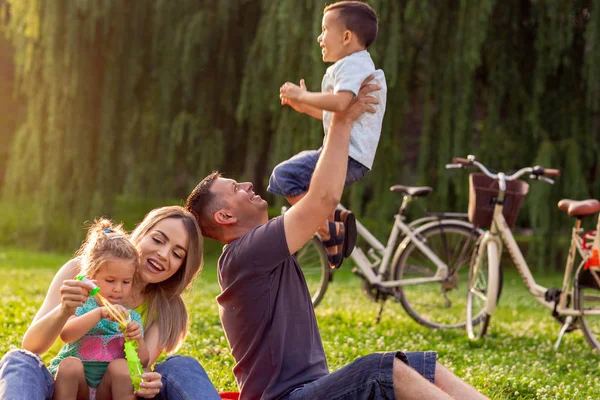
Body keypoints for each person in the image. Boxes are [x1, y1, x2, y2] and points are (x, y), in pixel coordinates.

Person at [185, 82, 488, 399]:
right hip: (289, 397)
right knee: (382, 372)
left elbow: (312, 204)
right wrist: (341, 120)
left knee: (420, 367)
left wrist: (324, 115)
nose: (247, 184)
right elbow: (323, 197)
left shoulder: (261, 249)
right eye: (235, 189)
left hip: (312, 390)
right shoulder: (243, 255)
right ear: (225, 217)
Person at [0, 206, 221, 400]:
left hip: (115, 390)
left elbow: (138, 366)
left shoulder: (166, 308)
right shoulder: (80, 272)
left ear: (182, 266)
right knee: (19, 361)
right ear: (139, 235)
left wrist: (148, 381)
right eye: (157, 239)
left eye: (177, 254)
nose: (163, 254)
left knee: (183, 366)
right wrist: (64, 310)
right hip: (59, 387)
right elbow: (31, 347)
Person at [274, 0, 387, 267]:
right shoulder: (356, 65)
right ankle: (333, 224)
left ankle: (329, 228)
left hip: (345, 155)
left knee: (285, 176)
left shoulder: (351, 65)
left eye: (325, 30)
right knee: (289, 176)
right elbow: (338, 113)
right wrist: (305, 107)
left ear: (347, 37)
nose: (319, 37)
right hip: (346, 154)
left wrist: (303, 94)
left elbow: (339, 104)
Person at [48, 219, 148, 400]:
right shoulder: (83, 304)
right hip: (79, 387)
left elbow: (143, 361)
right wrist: (99, 313)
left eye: (126, 282)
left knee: (121, 367)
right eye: (110, 281)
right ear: (91, 276)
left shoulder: (130, 316)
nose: (118, 288)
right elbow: (66, 335)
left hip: (107, 388)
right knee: (69, 365)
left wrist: (137, 338)